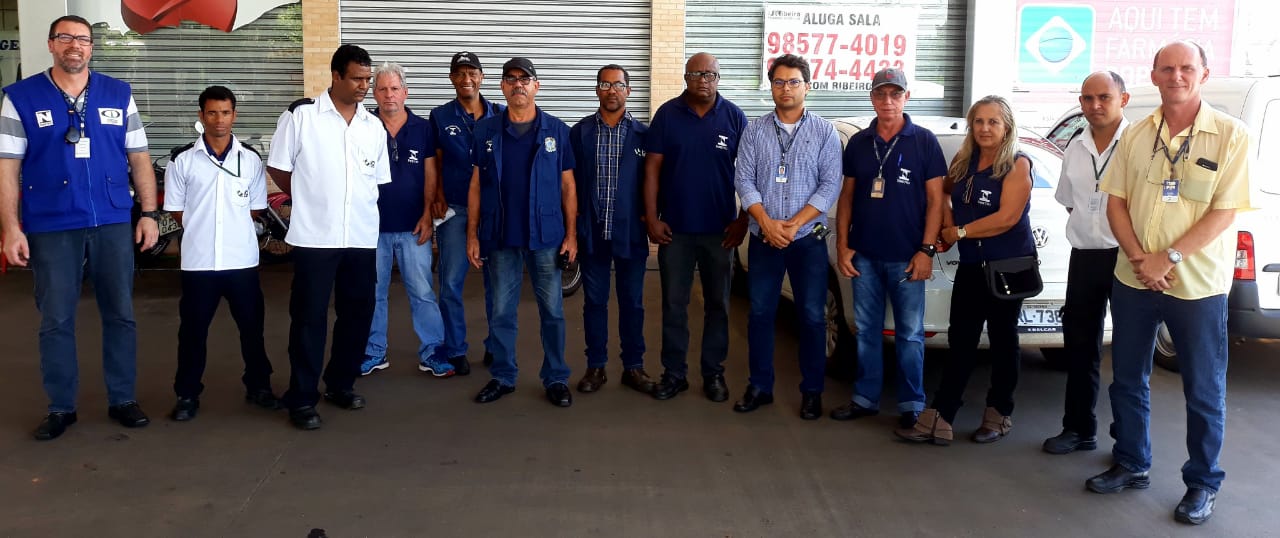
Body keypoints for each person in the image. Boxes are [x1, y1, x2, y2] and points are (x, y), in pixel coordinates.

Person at [1086, 41, 1252, 526]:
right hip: (1133, 278)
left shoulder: (1230, 135)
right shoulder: (1136, 135)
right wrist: (1141, 258)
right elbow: (1115, 201)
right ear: (1153, 76)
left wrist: (1168, 256)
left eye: (1186, 68)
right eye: (1167, 69)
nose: (1176, 76)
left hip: (1196, 285)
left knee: (1203, 388)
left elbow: (1226, 211)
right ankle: (1132, 461)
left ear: (1203, 74)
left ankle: (1202, 482)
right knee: (1127, 378)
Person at [0, 15, 158, 440]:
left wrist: (148, 212)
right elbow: (7, 168)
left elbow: (139, 157)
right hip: (52, 223)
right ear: (51, 44)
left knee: (121, 314)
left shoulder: (118, 94)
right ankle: (60, 407)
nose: (75, 45)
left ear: (92, 47)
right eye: (65, 37)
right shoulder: (20, 97)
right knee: (55, 319)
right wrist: (11, 229)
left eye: (83, 39)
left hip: (110, 219)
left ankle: (122, 398)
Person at [894, 95, 1035, 446]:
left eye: (993, 122)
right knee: (962, 341)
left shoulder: (1017, 165)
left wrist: (959, 232)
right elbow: (943, 192)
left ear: (1007, 127)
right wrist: (949, 219)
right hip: (972, 265)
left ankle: (998, 415)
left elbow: (1007, 218)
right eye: (979, 121)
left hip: (1007, 267)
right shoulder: (964, 160)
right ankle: (941, 417)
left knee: (1004, 343)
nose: (985, 128)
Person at [266, 44, 390, 430]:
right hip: (316, 237)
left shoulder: (373, 126)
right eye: (357, 78)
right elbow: (280, 169)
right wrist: (310, 198)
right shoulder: (302, 116)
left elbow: (377, 180)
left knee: (357, 314)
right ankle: (302, 397)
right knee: (309, 317)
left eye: (367, 80)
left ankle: (340, 383)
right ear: (335, 76)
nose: (364, 87)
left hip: (360, 236)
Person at [832, 67, 946, 429]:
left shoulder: (924, 141)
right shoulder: (859, 143)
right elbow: (847, 198)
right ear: (872, 98)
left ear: (907, 98)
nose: (887, 101)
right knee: (866, 331)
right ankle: (865, 398)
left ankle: (912, 404)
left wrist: (926, 251)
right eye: (881, 94)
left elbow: (935, 201)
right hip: (864, 255)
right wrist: (844, 246)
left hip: (907, 259)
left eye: (895, 94)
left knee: (910, 335)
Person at [731, 54, 841, 419]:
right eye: (779, 82)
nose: (786, 88)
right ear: (771, 87)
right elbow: (743, 179)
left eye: (793, 82)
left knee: (811, 316)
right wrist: (766, 222)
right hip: (764, 239)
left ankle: (812, 391)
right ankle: (760, 386)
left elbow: (829, 185)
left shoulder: (824, 132)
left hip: (807, 240)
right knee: (760, 314)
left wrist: (793, 225)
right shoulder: (755, 130)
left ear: (807, 86)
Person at [164, 85, 281, 422]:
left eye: (225, 112)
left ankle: (258, 386)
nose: (219, 120)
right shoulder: (183, 161)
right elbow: (176, 211)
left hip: (241, 261)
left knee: (252, 330)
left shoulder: (250, 160)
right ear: (201, 116)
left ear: (235, 115)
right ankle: (186, 394)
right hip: (200, 262)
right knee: (192, 332)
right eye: (212, 113)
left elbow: (256, 209)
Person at [466, 57, 578, 407]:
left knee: (553, 311)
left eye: (525, 79)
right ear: (501, 86)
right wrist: (472, 234)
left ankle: (556, 377)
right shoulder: (485, 131)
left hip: (545, 236)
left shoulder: (557, 131)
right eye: (511, 79)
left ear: (536, 86)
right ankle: (503, 375)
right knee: (501, 310)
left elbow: (568, 188)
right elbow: (474, 186)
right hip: (500, 235)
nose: (518, 84)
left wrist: (571, 234)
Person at [643, 52, 748, 402]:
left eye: (711, 74)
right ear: (685, 77)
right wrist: (652, 217)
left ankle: (713, 374)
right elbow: (652, 170)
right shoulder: (667, 116)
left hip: (721, 232)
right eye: (696, 73)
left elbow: (750, 175)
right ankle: (674, 374)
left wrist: (743, 218)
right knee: (674, 304)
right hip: (677, 232)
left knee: (718, 305)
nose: (704, 80)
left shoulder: (734, 118)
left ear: (719, 78)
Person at [1042, 71, 1129, 455]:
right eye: (1088, 98)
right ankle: (1078, 428)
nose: (1095, 106)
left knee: (1129, 352)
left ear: (1122, 99)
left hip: (1127, 257)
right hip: (1085, 257)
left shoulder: (1139, 144)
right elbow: (1070, 201)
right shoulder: (1074, 147)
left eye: (1104, 97)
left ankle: (1128, 443)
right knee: (1079, 346)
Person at [358, 62, 453, 378]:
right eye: (382, 89)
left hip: (414, 226)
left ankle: (433, 351)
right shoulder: (363, 125)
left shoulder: (423, 128)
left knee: (423, 291)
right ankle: (373, 351)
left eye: (394, 88)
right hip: (371, 227)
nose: (388, 95)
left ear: (405, 92)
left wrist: (428, 215)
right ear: (374, 92)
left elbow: (430, 173)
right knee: (373, 291)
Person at [569, 64, 656, 395]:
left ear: (629, 91)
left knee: (632, 303)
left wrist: (652, 219)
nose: (612, 90)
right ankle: (596, 366)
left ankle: (633, 367)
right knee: (594, 303)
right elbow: (570, 185)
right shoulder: (579, 134)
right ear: (597, 90)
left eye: (618, 85)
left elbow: (654, 186)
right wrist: (572, 230)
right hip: (592, 233)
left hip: (631, 235)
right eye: (605, 84)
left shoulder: (644, 136)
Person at [430, 51, 504, 376]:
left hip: (491, 211)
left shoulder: (500, 115)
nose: (466, 79)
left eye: (472, 72)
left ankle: (496, 346)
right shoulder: (440, 116)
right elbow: (435, 161)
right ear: (451, 79)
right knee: (450, 281)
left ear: (482, 77)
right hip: (454, 210)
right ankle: (456, 348)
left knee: (497, 282)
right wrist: (438, 198)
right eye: (459, 73)